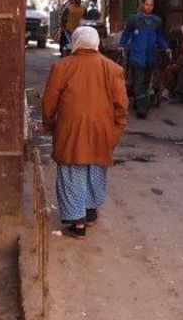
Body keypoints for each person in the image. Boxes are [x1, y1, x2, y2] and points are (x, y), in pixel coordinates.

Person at [41, 26, 128, 239]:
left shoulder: (62, 67)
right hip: (102, 130)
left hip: (72, 130)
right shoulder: (113, 69)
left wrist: (49, 124)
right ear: (97, 43)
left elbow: (49, 102)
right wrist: (116, 130)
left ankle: (77, 223)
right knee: (95, 170)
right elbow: (121, 106)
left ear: (76, 42)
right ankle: (89, 213)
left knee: (73, 172)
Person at [119, 0, 169, 118]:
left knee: (146, 82)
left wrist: (166, 47)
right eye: (147, 4)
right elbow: (126, 34)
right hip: (137, 55)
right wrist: (122, 44)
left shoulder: (157, 21)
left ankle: (138, 102)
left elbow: (159, 36)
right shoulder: (134, 20)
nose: (148, 7)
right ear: (143, 5)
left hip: (150, 56)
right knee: (138, 82)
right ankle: (142, 110)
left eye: (151, 5)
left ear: (153, 6)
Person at [162, 24, 183, 98]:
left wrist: (178, 62)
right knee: (169, 67)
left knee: (169, 69)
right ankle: (169, 89)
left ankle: (168, 90)